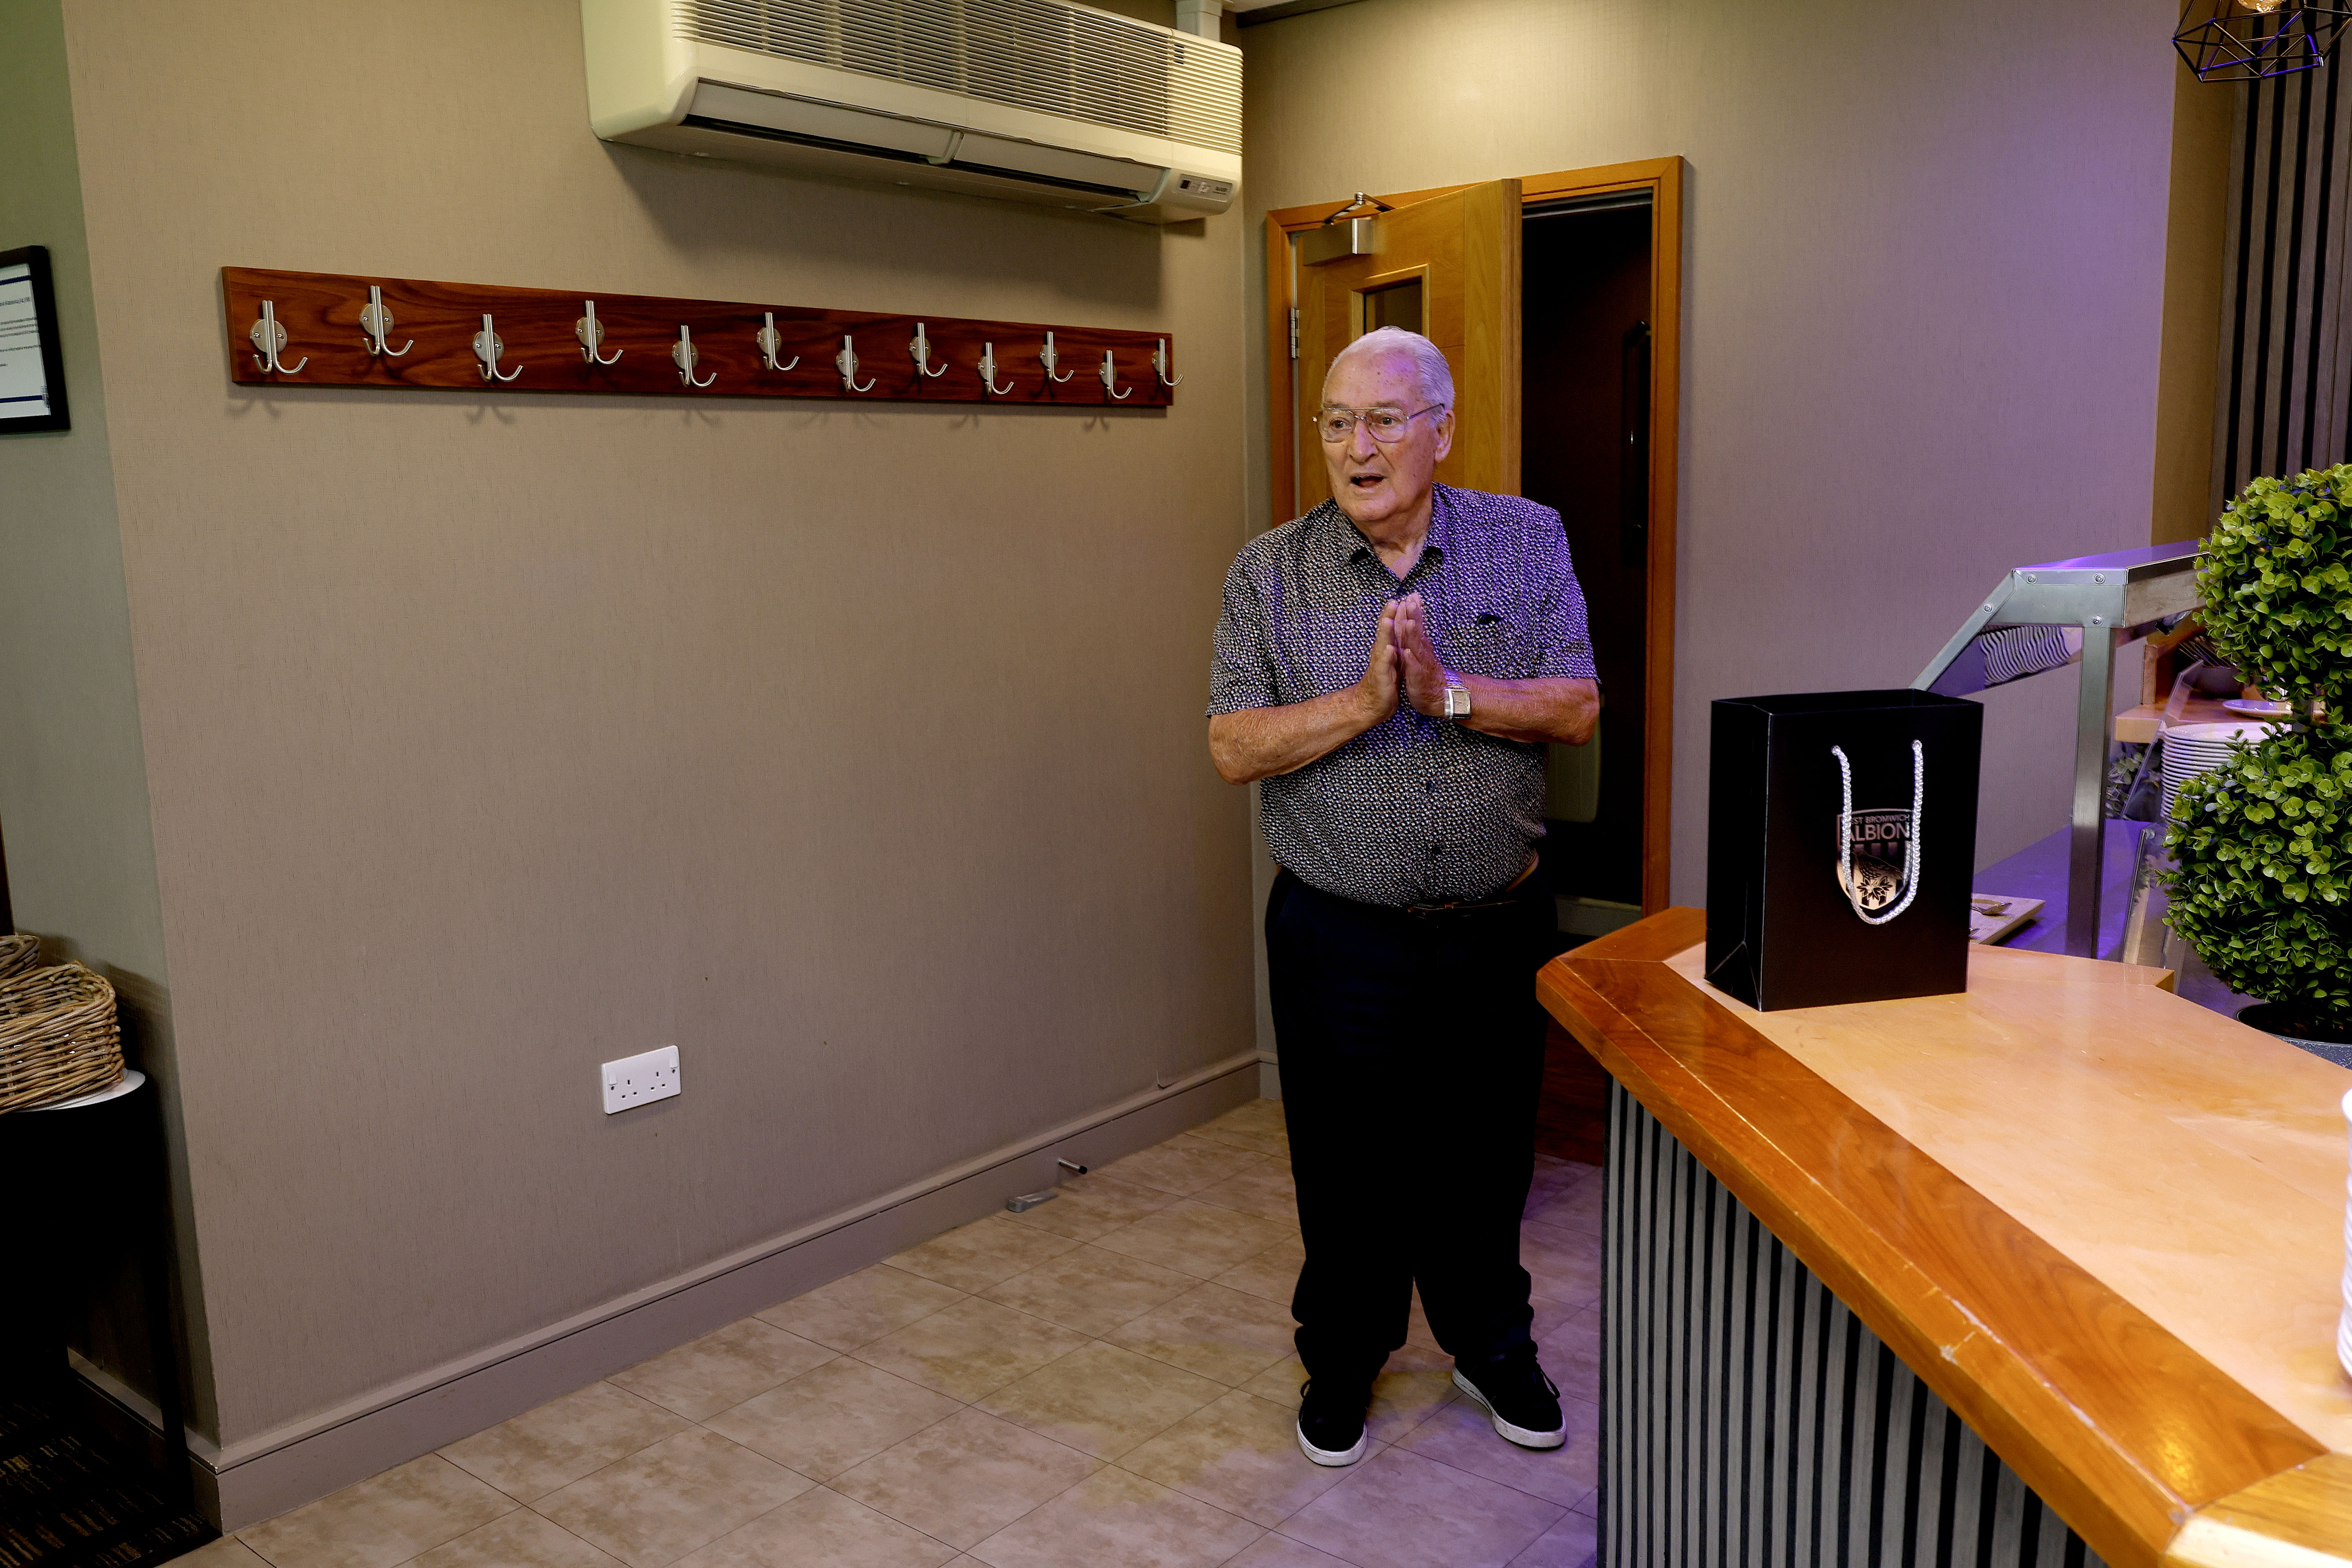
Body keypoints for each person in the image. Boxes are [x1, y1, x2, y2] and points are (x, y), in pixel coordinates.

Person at [1206, 326, 1600, 1466]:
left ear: (1442, 428)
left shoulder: (1526, 544)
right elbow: (1233, 745)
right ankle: (1342, 1356)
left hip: (1494, 930)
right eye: (1336, 421)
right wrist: (1369, 701)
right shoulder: (1267, 571)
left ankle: (1491, 1344)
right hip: (1338, 938)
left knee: (1486, 1160)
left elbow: (1576, 705)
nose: (1357, 445)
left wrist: (1453, 693)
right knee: (1345, 1165)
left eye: (1384, 419)